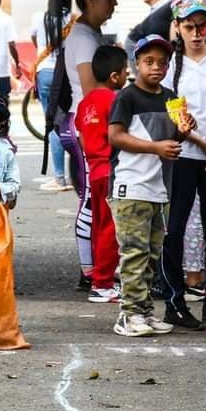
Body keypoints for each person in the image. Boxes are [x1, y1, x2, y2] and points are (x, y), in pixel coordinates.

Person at [108, 34, 193, 337]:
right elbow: (115, 136)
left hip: (159, 188)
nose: (156, 67)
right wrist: (156, 147)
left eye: (162, 62)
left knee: (151, 254)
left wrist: (183, 131)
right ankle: (129, 315)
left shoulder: (171, 97)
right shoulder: (127, 96)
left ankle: (144, 310)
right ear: (136, 63)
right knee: (134, 251)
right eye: (148, 62)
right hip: (131, 187)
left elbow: (174, 138)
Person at [161, 0, 206, 330]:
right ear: (177, 27)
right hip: (184, 155)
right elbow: (170, 111)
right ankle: (175, 300)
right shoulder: (170, 66)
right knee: (172, 229)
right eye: (188, 27)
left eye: (201, 25)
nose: (195, 33)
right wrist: (199, 141)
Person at [62, 0, 118, 287]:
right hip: (87, 122)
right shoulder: (83, 37)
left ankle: (96, 265)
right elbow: (90, 87)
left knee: (96, 199)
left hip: (91, 120)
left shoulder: (91, 33)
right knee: (90, 199)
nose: (115, 3)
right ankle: (89, 270)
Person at [75, 44, 127, 304]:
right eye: (126, 71)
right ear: (115, 76)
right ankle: (103, 283)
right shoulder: (115, 99)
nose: (128, 75)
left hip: (94, 169)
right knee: (110, 227)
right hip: (112, 170)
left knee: (99, 225)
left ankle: (100, 274)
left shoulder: (85, 103)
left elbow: (82, 136)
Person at [30, 0, 72, 192]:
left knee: (52, 125)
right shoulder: (72, 20)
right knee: (69, 122)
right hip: (66, 74)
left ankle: (60, 177)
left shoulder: (39, 18)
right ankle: (75, 173)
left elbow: (33, 38)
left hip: (45, 73)